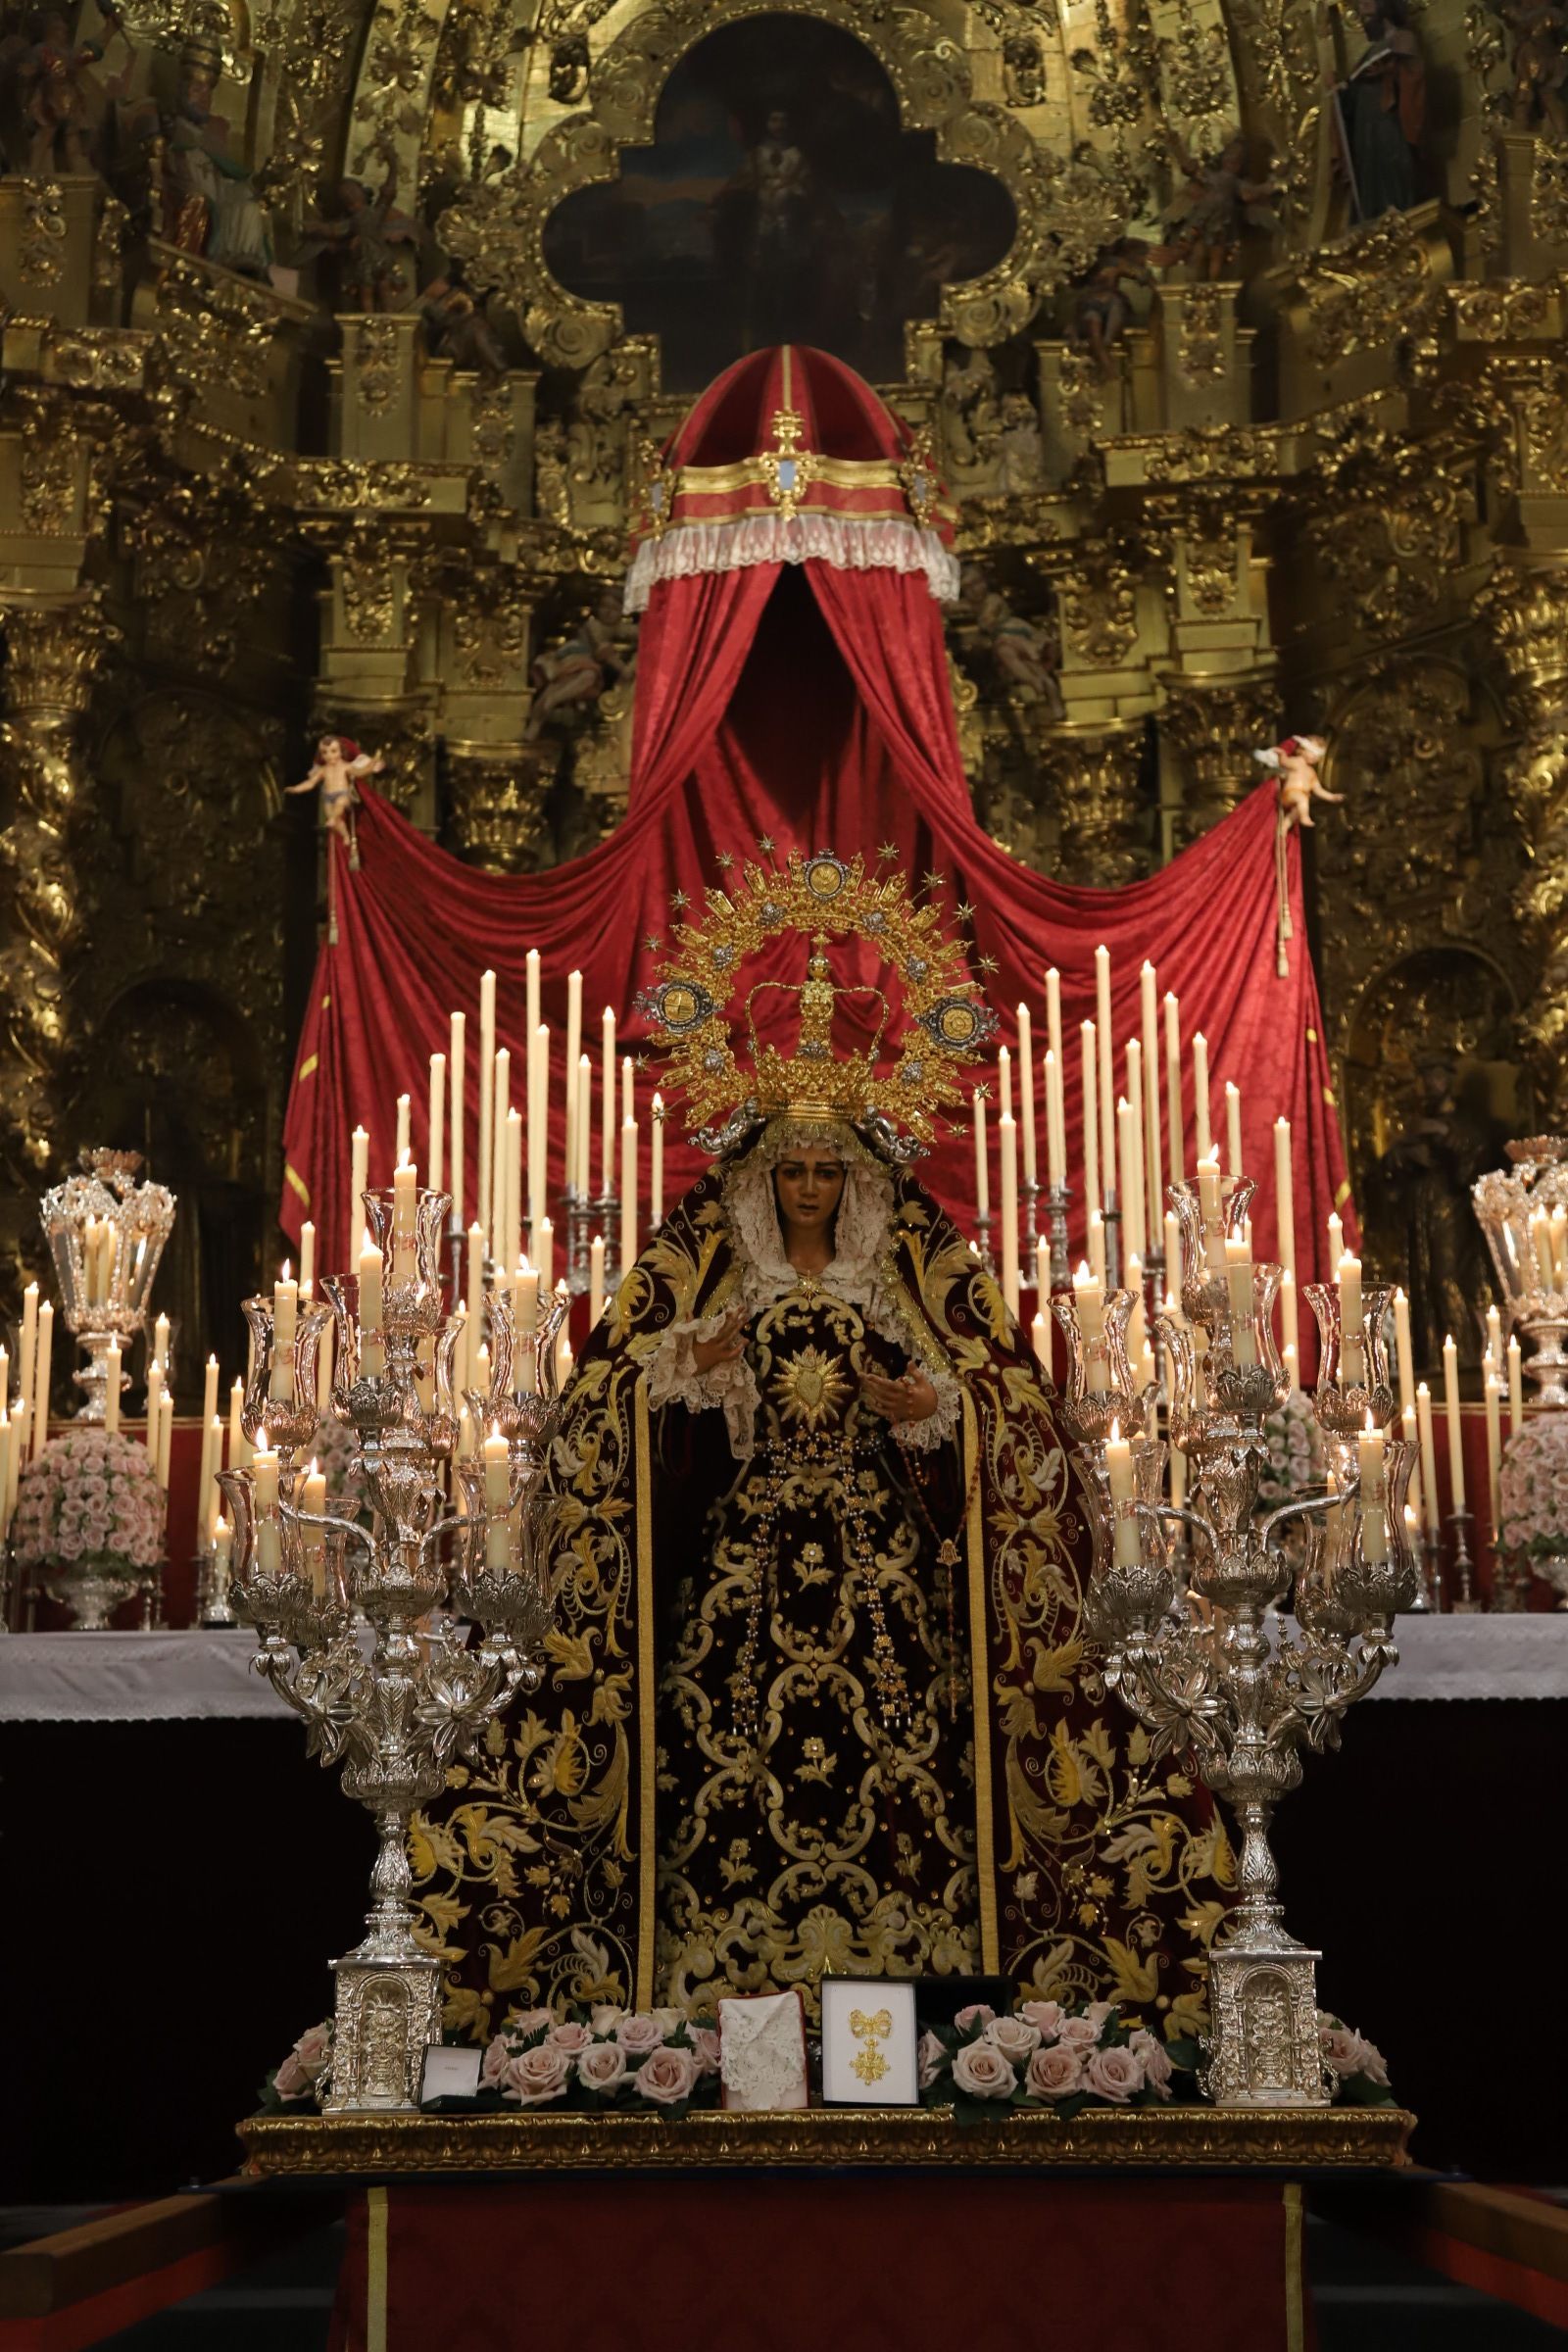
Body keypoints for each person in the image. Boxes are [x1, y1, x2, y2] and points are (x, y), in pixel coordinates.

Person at [413, 881, 1227, 2035]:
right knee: (731, 1749)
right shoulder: (703, 1270)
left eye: (826, 1170)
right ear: (762, 1177)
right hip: (739, 1583)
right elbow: (604, 1413)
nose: (806, 1186)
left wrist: (930, 1409)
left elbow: (1009, 1403)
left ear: (853, 1177)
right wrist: (689, 1374)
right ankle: (718, 1967)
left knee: (896, 1753)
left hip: (884, 1580)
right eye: (790, 1170)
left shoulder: (910, 1270)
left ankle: (913, 1971)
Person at [1330, 0, 1426, 220]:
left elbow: (1413, 73)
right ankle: (1373, 214)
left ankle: (1396, 207)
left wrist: (1390, 69)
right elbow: (1351, 97)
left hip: (1388, 119)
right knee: (1369, 171)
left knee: (1391, 159)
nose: (1361, 8)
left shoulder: (1402, 38)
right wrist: (1339, 89)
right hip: (1366, 124)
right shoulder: (1369, 53)